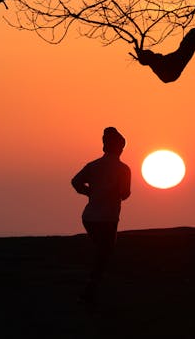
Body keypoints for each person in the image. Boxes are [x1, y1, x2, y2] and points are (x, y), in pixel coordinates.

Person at [71, 126, 131, 304]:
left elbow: (76, 182)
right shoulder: (123, 169)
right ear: (120, 147)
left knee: (103, 252)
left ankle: (94, 288)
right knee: (105, 253)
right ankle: (90, 291)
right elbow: (125, 194)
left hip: (90, 217)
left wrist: (90, 193)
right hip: (108, 217)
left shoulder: (93, 166)